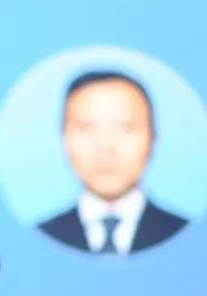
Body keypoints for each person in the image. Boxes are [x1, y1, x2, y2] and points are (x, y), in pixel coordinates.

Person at [38, 70, 188, 255]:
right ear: (64, 138)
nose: (106, 147)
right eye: (86, 128)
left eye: (125, 127)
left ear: (152, 139)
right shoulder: (41, 237)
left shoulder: (184, 234)